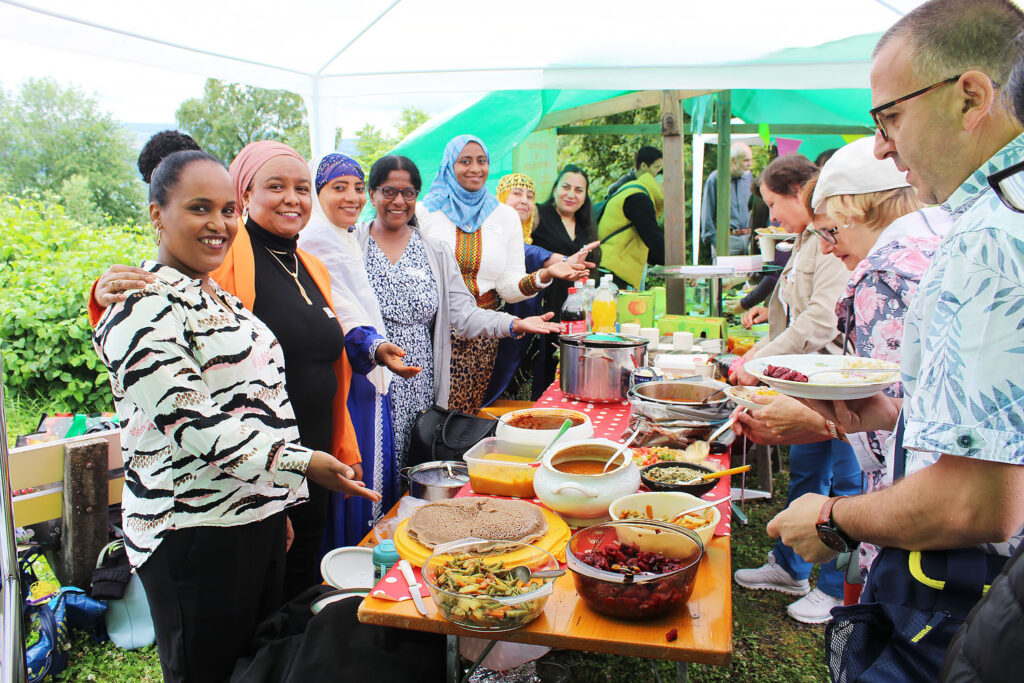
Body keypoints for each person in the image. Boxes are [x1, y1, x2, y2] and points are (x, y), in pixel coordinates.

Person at [765, 1, 1024, 679]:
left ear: (971, 97)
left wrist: (832, 519)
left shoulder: (990, 235)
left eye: (890, 118)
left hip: (966, 596)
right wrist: (895, 418)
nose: (881, 146)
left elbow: (978, 503)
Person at [92, 147, 379, 683]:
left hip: (253, 517)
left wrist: (276, 504)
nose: (219, 223)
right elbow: (194, 424)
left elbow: (264, 403)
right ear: (157, 214)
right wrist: (301, 465)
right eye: (199, 208)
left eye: (227, 210)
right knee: (207, 669)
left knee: (256, 666)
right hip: (193, 527)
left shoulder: (218, 298)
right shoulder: (141, 305)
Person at [734, 138, 951, 593]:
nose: (829, 248)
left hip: (920, 538)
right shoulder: (942, 246)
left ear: (858, 210)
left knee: (844, 486)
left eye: (831, 231)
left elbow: (906, 448)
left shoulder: (883, 275)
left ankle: (834, 589)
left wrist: (824, 425)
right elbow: (912, 410)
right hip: (938, 530)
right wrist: (835, 419)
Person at [729, 154, 860, 624]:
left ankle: (837, 591)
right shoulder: (805, 240)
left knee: (847, 485)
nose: (771, 215)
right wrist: (758, 354)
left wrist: (760, 361)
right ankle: (790, 567)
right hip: (809, 381)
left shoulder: (831, 241)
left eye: (772, 203)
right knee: (807, 474)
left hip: (841, 383)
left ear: (798, 192)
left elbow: (822, 319)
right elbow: (790, 314)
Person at [360, 156, 561, 462]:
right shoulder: (353, 244)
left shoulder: (435, 251)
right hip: (367, 374)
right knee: (371, 459)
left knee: (415, 457)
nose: (399, 201)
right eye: (389, 191)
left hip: (418, 377)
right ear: (372, 194)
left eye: (408, 192)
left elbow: (464, 314)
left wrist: (514, 324)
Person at [298, 152, 420, 546]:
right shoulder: (315, 240)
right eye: (338, 188)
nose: (351, 197)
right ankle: (350, 559)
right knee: (354, 473)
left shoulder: (344, 237)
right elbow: (343, 311)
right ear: (317, 194)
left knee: (372, 467)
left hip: (366, 369)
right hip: (348, 374)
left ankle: (368, 555)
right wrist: (374, 345)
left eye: (355, 187)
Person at [417, 135, 579, 414]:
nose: (475, 168)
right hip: (432, 333)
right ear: (449, 165)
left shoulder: (504, 216)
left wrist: (544, 275)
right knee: (423, 418)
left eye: (482, 161)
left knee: (464, 419)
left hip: (481, 337)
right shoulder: (425, 212)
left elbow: (508, 286)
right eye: (465, 161)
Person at [485, 173, 595, 403]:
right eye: (516, 193)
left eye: (530, 196)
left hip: (532, 326)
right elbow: (531, 254)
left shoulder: (530, 237)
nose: (524, 200)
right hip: (497, 328)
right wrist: (563, 260)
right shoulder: (490, 233)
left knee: (527, 393)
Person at [531, 165, 600, 396]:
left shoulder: (585, 225)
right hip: (543, 305)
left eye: (579, 190)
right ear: (555, 189)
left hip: (576, 310)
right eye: (566, 187)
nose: (571, 194)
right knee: (543, 370)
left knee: (573, 372)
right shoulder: (539, 215)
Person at [595, 159, 665, 290]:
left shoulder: (635, 190)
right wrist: (680, 266)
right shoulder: (639, 198)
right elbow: (654, 242)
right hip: (612, 275)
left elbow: (650, 251)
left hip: (610, 270)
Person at [700, 142, 754, 259]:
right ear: (732, 160)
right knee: (725, 272)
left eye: (750, 160)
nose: (749, 164)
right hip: (726, 240)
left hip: (748, 239)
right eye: (746, 160)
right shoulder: (715, 179)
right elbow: (707, 216)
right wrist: (718, 242)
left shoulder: (748, 177)